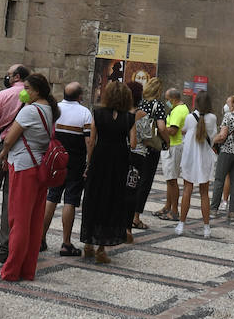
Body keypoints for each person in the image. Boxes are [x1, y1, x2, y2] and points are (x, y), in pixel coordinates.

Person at [0, 73, 59, 283]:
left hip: (24, 166)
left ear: (36, 91)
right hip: (39, 167)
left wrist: (4, 153)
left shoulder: (30, 111)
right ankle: (27, 269)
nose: (23, 92)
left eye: (27, 88)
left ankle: (11, 269)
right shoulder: (50, 109)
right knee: (33, 221)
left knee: (18, 220)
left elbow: (10, 138)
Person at [80, 80, 134, 262]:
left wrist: (89, 163)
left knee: (93, 197)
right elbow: (132, 143)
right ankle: (101, 248)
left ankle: (88, 244)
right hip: (119, 160)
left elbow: (91, 140)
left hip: (100, 158)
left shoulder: (98, 113)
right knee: (111, 200)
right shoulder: (129, 117)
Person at [0, 63, 29, 267]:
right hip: (19, 150)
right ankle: (5, 250)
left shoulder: (3, 95)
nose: (6, 77)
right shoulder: (30, 97)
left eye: (9, 74)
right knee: (11, 201)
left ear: (16, 76)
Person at [42, 82, 94, 256]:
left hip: (56, 161)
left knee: (52, 197)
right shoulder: (85, 113)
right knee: (70, 200)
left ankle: (40, 238)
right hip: (75, 163)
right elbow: (89, 141)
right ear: (80, 96)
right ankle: (66, 243)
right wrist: (89, 162)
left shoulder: (55, 109)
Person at [175, 92, 217, 238]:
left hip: (190, 158)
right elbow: (214, 136)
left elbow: (185, 130)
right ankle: (206, 228)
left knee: (187, 190)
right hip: (205, 159)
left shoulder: (189, 117)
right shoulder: (212, 118)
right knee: (204, 193)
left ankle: (181, 225)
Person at [131, 78, 168, 229]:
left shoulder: (140, 103)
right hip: (150, 148)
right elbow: (162, 127)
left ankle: (127, 214)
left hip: (134, 146)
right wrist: (168, 141)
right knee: (145, 182)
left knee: (132, 180)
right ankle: (135, 217)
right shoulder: (157, 105)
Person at [156, 88, 189, 221]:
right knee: (170, 179)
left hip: (173, 146)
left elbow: (173, 130)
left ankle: (174, 211)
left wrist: (158, 129)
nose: (166, 102)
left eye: (167, 99)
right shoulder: (181, 108)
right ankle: (167, 206)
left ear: (173, 99)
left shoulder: (178, 111)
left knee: (172, 180)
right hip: (173, 146)